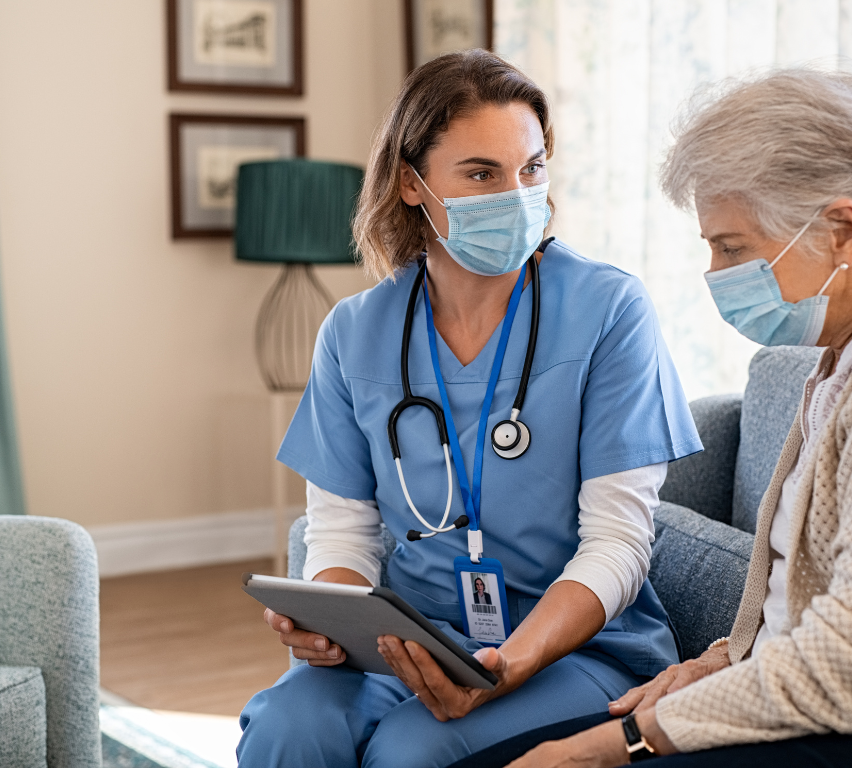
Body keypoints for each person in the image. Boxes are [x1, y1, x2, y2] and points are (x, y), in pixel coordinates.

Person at [497, 68, 852, 767]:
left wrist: (623, 741)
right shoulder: (851, 351)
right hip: (849, 703)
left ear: (842, 230)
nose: (714, 272)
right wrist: (723, 661)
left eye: (733, 247)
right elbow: (815, 600)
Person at [234, 49, 703, 768]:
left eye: (532, 169)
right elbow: (342, 533)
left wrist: (505, 666)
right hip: (410, 641)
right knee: (288, 729)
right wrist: (328, 620)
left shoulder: (608, 310)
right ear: (412, 184)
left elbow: (618, 543)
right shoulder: (356, 332)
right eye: (483, 173)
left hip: (571, 651)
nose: (517, 195)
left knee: (411, 752)